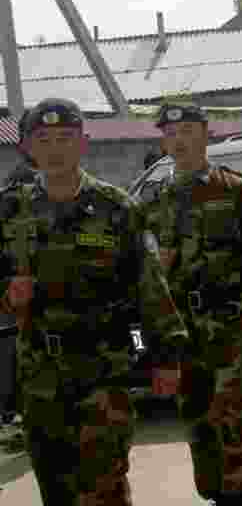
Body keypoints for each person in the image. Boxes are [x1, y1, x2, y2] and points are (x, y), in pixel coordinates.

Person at [0, 98, 189, 505]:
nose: (54, 148)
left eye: (65, 138)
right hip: (39, 377)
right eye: (43, 139)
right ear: (29, 146)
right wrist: (7, 294)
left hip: (104, 372)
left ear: (83, 143)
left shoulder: (116, 207)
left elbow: (149, 289)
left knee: (104, 488)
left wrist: (164, 357)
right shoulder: (11, 208)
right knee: (55, 489)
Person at [139, 101, 242, 506]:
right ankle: (216, 495)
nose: (179, 141)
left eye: (188, 131)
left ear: (205, 133)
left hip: (233, 327)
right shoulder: (153, 200)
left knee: (235, 424)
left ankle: (240, 498)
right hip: (183, 333)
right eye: (171, 134)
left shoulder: (235, 190)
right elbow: (140, 277)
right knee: (198, 427)